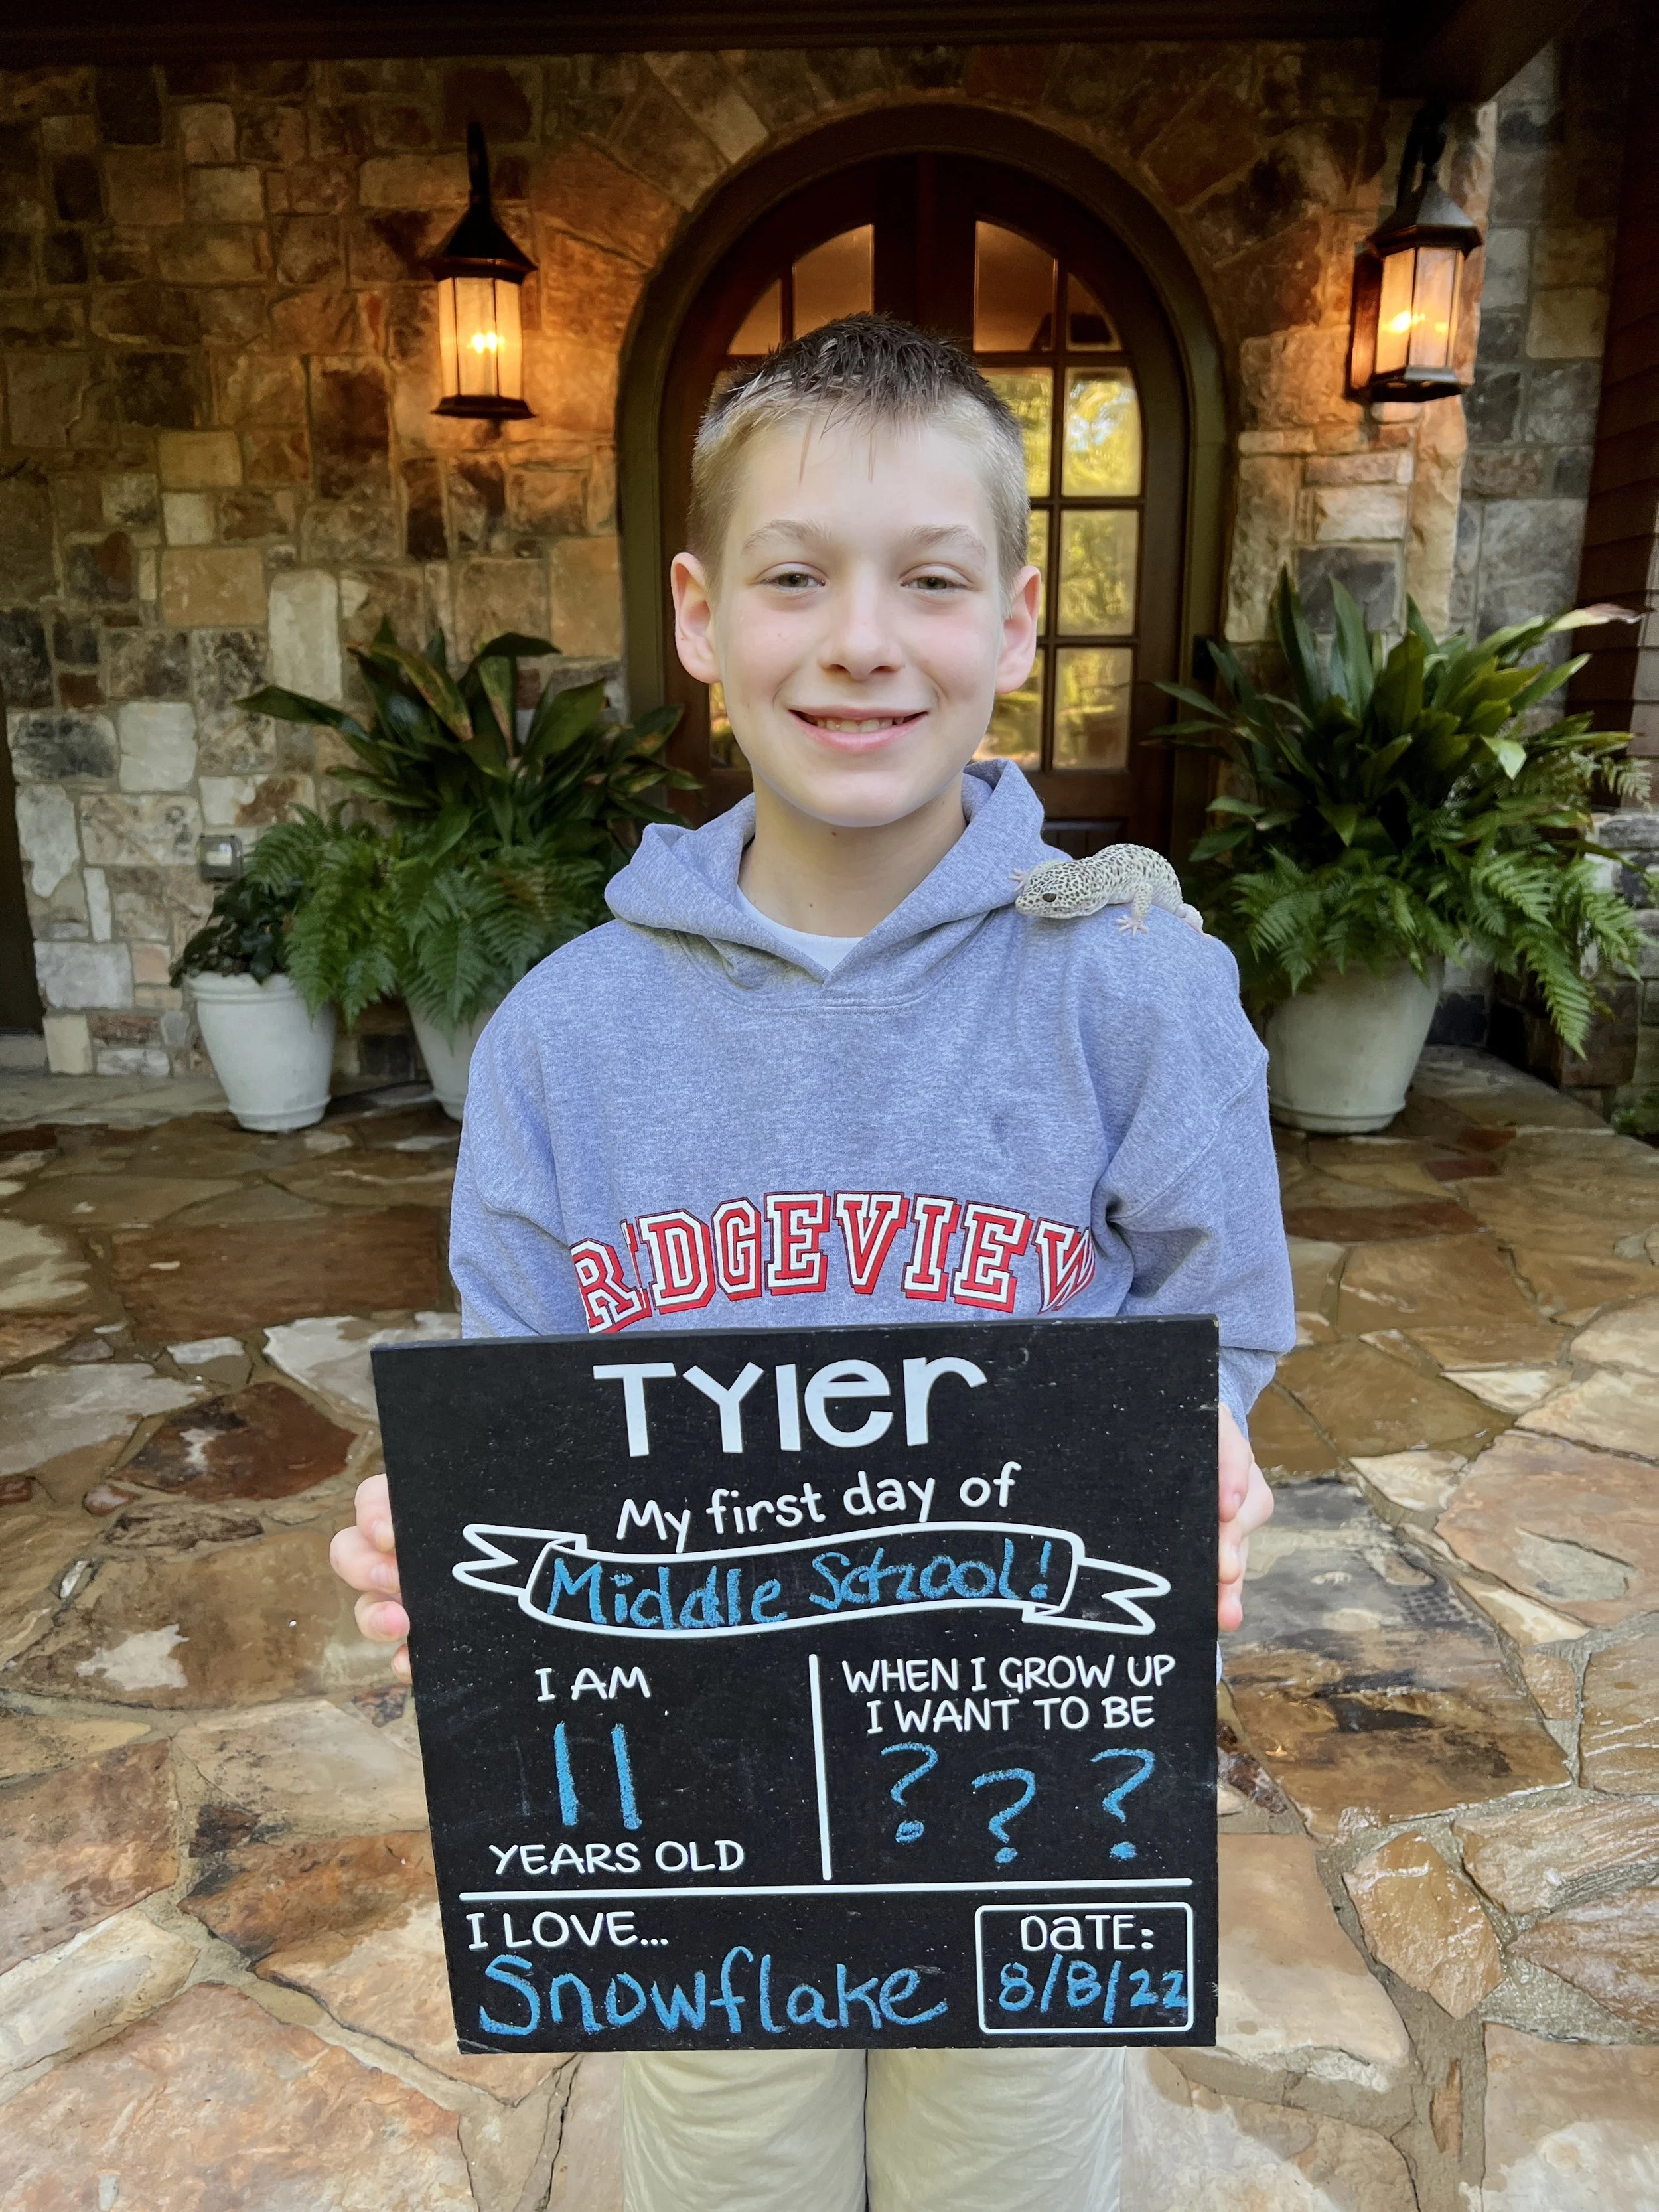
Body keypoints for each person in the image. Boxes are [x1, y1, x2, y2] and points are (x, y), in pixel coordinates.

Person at [331, 314, 1293, 2212]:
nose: (861, 639)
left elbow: (1213, 1303)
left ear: (1017, 622)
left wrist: (1208, 1447)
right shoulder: (560, 1036)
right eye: (795, 577)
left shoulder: (1134, 985)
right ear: (699, 616)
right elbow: (523, 1378)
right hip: (698, 1799)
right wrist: (444, 1536)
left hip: (1017, 1769)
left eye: (929, 581)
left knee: (1008, 2173)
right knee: (726, 2168)